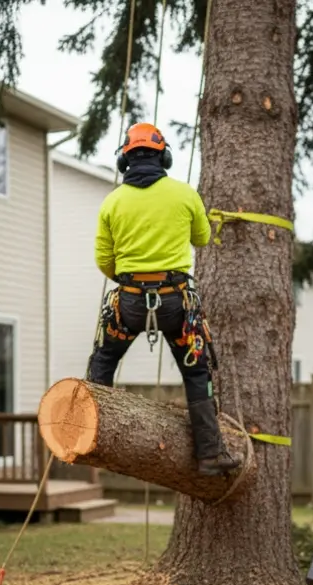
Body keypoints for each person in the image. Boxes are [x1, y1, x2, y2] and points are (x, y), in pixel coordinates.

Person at [87, 122, 243, 477]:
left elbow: (104, 260)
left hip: (128, 304)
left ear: (125, 160)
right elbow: (202, 239)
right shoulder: (185, 194)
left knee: (104, 358)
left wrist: (132, 280)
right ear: (164, 156)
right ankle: (209, 455)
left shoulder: (112, 201)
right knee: (196, 370)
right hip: (176, 306)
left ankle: (93, 435)